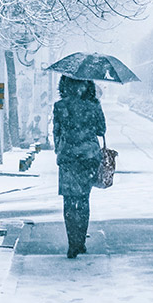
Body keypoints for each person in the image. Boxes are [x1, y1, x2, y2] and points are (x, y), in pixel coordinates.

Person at [52, 75, 106, 258]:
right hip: (88, 158)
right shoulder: (93, 105)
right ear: (87, 85)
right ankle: (80, 241)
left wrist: (61, 148)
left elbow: (56, 132)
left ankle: (71, 243)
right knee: (83, 200)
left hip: (68, 158)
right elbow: (101, 130)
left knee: (68, 201)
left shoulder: (60, 106)